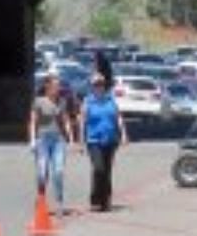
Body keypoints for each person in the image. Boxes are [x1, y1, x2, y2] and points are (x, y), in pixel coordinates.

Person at [80, 73, 128, 212]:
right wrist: (81, 140)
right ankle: (96, 197)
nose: (99, 87)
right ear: (92, 87)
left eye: (101, 84)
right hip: (94, 140)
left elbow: (118, 117)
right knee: (98, 168)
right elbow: (82, 120)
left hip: (110, 139)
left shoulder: (110, 100)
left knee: (107, 171)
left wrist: (124, 134)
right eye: (96, 84)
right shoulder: (88, 101)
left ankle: (105, 200)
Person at [29, 74, 75, 215]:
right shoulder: (39, 101)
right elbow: (33, 121)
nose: (58, 88)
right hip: (43, 140)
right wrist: (32, 140)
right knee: (42, 173)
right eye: (55, 85)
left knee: (59, 172)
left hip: (58, 140)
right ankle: (41, 198)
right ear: (48, 87)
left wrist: (71, 139)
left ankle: (59, 203)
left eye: (59, 85)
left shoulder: (61, 101)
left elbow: (66, 121)